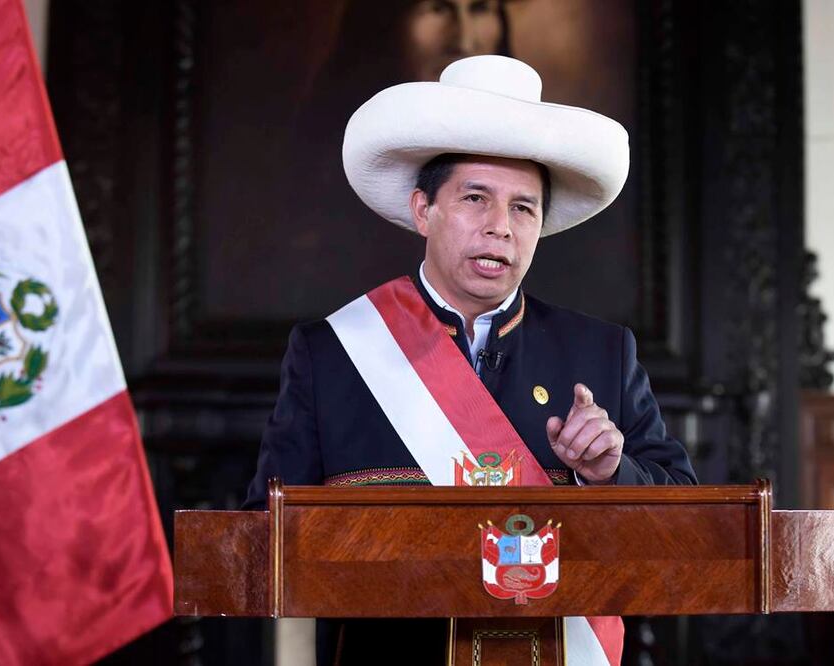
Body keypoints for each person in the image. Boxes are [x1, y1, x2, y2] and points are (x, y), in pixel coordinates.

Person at [244, 55, 696, 666]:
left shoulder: (602, 351)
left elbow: (687, 527)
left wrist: (610, 473)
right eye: (475, 198)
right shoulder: (334, 353)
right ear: (423, 209)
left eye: (523, 207)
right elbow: (262, 538)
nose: (499, 228)